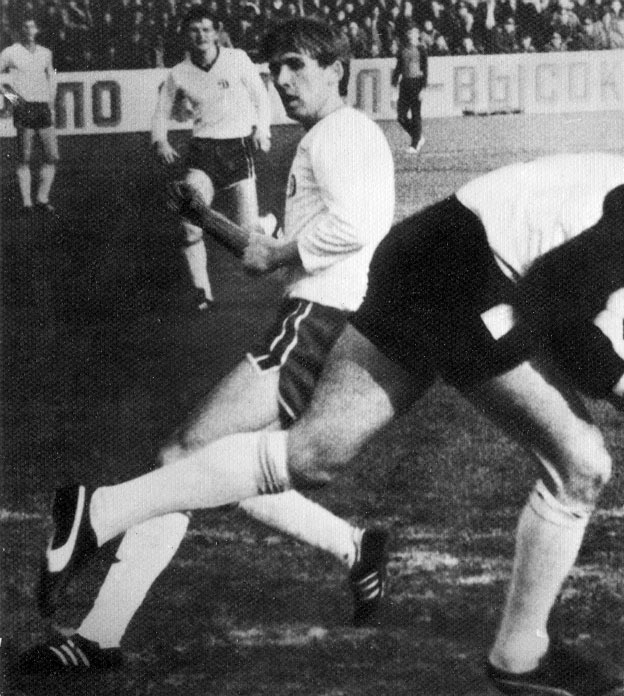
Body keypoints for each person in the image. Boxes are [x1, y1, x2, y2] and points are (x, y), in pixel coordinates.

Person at [36, 147, 624, 696]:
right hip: (463, 273)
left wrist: (621, 371)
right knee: (581, 463)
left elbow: (569, 297)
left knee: (314, 454)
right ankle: (521, 657)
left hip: (426, 252)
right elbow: (552, 300)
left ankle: (100, 511)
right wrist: (623, 381)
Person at [16, 17, 394, 674]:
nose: (282, 80)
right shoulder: (338, 134)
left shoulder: (339, 133)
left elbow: (354, 226)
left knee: (182, 454)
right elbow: (264, 254)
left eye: (297, 65)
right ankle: (356, 548)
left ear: (337, 70)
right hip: (324, 316)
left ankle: (97, 581)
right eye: (275, 69)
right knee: (227, 469)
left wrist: (282, 251)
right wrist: (204, 217)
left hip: (316, 323)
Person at [152, 5, 273, 312]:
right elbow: (161, 110)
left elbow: (261, 96)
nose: (201, 36)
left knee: (247, 237)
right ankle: (202, 291)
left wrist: (263, 129)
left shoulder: (237, 59)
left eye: (206, 29)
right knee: (190, 221)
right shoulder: (178, 73)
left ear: (217, 33)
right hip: (203, 153)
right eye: (194, 30)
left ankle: (267, 223)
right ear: (185, 35)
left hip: (237, 150)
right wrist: (160, 140)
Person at [0, 17, 59, 213]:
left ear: (37, 30)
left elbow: (51, 76)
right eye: (25, 27)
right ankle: (27, 203)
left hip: (42, 107)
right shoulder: (11, 52)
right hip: (24, 108)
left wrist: (51, 101)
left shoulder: (45, 53)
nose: (29, 30)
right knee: (24, 157)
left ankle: (42, 198)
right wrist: (13, 99)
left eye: (32, 26)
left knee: (52, 155)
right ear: (20, 30)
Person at [392, 24, 428, 153]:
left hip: (416, 83)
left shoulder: (421, 49)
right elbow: (398, 68)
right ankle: (417, 137)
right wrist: (394, 85)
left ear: (417, 34)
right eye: (410, 33)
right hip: (405, 84)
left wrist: (423, 88)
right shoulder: (403, 49)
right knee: (401, 116)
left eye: (414, 33)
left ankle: (414, 144)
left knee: (415, 114)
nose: (412, 35)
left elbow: (425, 69)